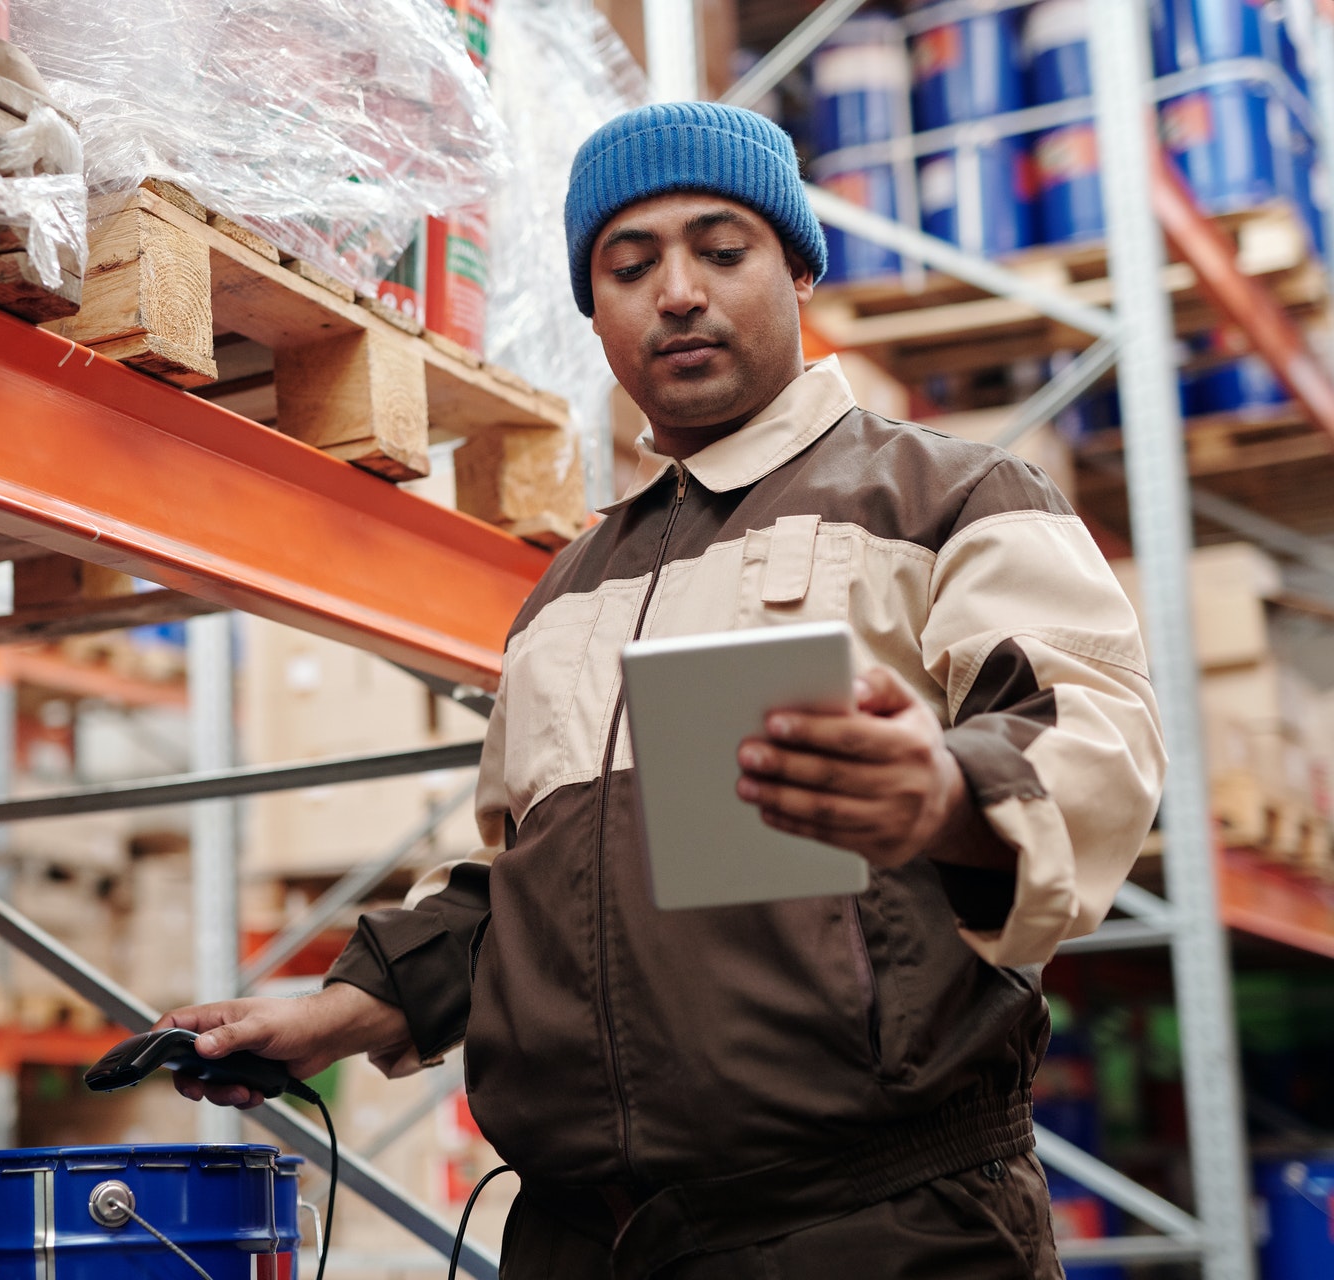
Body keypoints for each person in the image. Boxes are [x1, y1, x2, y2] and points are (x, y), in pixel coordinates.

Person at [160, 102, 1166, 1279]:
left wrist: (944, 792)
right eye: (628, 268)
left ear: (797, 266)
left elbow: (1094, 745)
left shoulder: (946, 499)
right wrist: (349, 1005)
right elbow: (531, 884)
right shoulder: (568, 592)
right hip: (591, 1243)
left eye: (721, 250)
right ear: (597, 313)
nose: (676, 292)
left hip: (873, 1231)